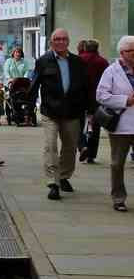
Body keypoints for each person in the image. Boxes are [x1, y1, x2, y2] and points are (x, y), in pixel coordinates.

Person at [29, 28, 88, 201]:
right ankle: (52, 182)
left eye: (64, 39)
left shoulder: (78, 62)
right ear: (51, 42)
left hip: (72, 112)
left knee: (69, 147)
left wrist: (88, 108)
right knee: (50, 145)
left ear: (68, 42)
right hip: (50, 111)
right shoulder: (43, 61)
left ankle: (63, 176)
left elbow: (85, 87)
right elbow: (34, 84)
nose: (60, 42)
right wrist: (29, 105)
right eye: (57, 39)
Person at [95, 36, 134, 212]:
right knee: (117, 163)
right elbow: (101, 96)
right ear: (122, 53)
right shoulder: (111, 71)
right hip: (121, 125)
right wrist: (125, 100)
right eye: (132, 51)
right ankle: (118, 198)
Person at [78, 39, 108, 164]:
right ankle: (91, 155)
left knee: (78, 125)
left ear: (85, 47)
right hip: (97, 100)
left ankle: (82, 146)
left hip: (80, 98)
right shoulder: (103, 61)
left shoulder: (79, 60)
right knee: (95, 127)